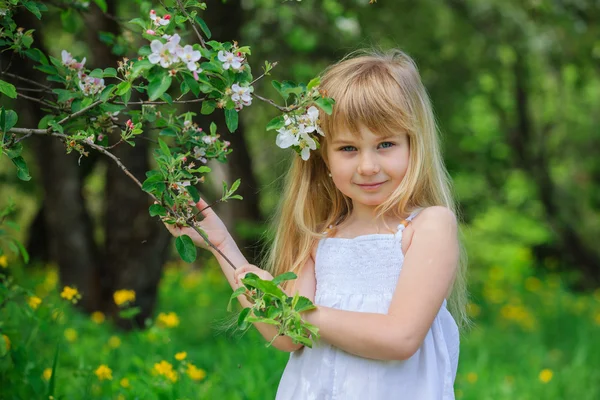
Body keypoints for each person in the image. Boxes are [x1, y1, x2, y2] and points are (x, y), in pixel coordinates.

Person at [165, 49, 468, 400]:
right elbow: (287, 335)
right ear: (323, 157)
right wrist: (221, 245)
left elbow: (399, 337)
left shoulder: (428, 226)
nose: (368, 166)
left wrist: (298, 312)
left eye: (385, 144)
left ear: (414, 145)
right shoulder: (320, 234)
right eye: (348, 149)